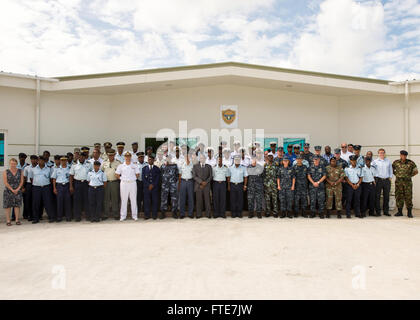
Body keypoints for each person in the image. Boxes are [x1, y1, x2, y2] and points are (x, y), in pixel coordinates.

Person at [392, 150, 418, 218]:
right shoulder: (396, 162)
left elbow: (416, 171)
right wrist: (397, 174)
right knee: (399, 196)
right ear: (400, 155)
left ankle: (409, 212)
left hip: (407, 183)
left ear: (406, 156)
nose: (403, 156)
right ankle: (399, 212)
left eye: (404, 155)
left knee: (408, 197)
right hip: (398, 182)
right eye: (402, 155)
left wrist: (409, 175)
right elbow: (391, 170)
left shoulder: (411, 163)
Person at [115, 151, 140, 221]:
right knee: (124, 200)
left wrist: (132, 178)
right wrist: (122, 178)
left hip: (132, 183)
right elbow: (117, 174)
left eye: (129, 156)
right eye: (126, 156)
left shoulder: (134, 165)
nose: (127, 157)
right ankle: (123, 216)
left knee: (133, 199)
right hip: (124, 183)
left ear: (131, 157)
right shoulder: (121, 166)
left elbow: (137, 174)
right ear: (124, 157)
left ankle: (134, 215)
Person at [29, 156, 53, 223]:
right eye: (39, 160)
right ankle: (36, 218)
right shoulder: (33, 169)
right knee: (36, 203)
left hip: (46, 187)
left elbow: (51, 178)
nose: (41, 162)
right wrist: (37, 183)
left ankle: (50, 217)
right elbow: (31, 178)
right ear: (38, 161)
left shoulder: (48, 169)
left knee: (48, 203)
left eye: (42, 160)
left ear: (45, 161)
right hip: (36, 188)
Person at [70, 152, 92, 221]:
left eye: (83, 157)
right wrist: (71, 186)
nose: (81, 158)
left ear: (85, 157)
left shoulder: (89, 164)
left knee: (87, 200)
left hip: (86, 183)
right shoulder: (74, 165)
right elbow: (71, 176)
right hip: (77, 183)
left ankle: (88, 216)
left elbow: (92, 173)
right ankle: (77, 216)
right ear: (78, 157)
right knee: (77, 200)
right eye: (80, 156)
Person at [101, 149, 121, 220]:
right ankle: (106, 214)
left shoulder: (118, 163)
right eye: (109, 155)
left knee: (115, 199)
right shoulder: (104, 163)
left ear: (114, 155)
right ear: (107, 155)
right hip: (106, 183)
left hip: (114, 182)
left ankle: (116, 214)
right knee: (106, 199)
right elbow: (101, 172)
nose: (110, 156)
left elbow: (120, 173)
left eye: (112, 155)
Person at [3, 158, 25, 226]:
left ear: (16, 164)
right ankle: (8, 220)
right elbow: (5, 182)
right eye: (12, 164)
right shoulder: (5, 172)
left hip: (17, 190)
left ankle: (17, 220)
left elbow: (22, 181)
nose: (13, 165)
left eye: (14, 164)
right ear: (10, 164)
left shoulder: (20, 171)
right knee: (8, 206)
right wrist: (12, 190)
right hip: (8, 191)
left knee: (17, 206)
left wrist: (18, 189)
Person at [372, 148, 392, 216]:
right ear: (378, 154)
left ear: (384, 153)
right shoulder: (375, 161)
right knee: (377, 196)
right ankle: (378, 211)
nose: (381, 154)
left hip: (386, 180)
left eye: (383, 152)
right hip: (378, 180)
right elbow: (372, 170)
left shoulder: (388, 161)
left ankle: (386, 211)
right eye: (380, 152)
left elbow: (390, 170)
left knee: (386, 196)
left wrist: (390, 177)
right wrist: (374, 179)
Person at [51, 156, 71, 222]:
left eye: (65, 160)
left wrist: (71, 186)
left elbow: (71, 178)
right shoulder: (56, 169)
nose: (63, 162)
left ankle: (68, 216)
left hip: (67, 185)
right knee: (59, 202)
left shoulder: (69, 168)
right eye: (62, 160)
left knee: (67, 202)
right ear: (60, 161)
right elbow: (54, 179)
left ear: (66, 161)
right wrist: (54, 188)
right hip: (59, 186)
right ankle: (59, 217)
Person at [142, 154, 161, 220]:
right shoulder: (144, 169)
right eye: (149, 159)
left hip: (154, 188)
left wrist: (153, 185)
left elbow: (158, 178)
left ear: (153, 160)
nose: (150, 160)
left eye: (151, 159)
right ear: (147, 160)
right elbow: (143, 179)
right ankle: (147, 215)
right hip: (147, 188)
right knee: (147, 201)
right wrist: (148, 185)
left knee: (154, 201)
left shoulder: (157, 169)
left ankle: (154, 215)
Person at [178, 152, 194, 219]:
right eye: (185, 157)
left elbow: (194, 175)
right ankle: (182, 213)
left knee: (191, 198)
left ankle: (190, 213)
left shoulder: (192, 165)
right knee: (182, 198)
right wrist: (179, 184)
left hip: (190, 182)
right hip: (183, 182)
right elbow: (179, 175)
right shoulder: (182, 165)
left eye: (188, 157)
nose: (187, 158)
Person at [263, 153, 279, 217]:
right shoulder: (265, 165)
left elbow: (278, 175)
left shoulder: (276, 164)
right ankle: (268, 212)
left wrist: (278, 184)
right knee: (267, 199)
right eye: (269, 156)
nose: (270, 157)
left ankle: (275, 212)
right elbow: (263, 175)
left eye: (271, 156)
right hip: (267, 185)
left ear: (273, 157)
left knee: (275, 199)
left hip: (274, 185)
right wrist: (264, 183)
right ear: (267, 157)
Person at [23, 155, 38, 220]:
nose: (33, 160)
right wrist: (23, 187)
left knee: (35, 201)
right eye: (32, 159)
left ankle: (36, 215)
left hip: (36, 185)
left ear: (37, 160)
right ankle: (29, 215)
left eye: (35, 159)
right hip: (29, 185)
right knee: (28, 200)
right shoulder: (27, 168)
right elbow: (24, 178)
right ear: (30, 160)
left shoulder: (39, 167)